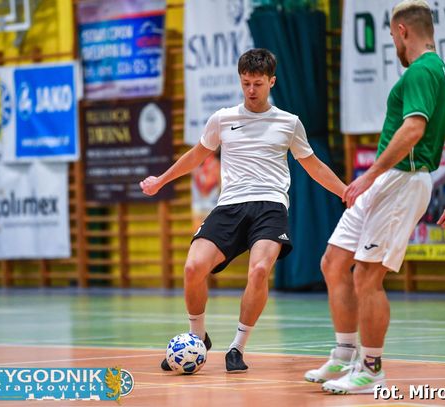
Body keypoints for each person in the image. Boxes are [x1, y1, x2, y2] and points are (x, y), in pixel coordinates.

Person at [304, 0, 445, 394]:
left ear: (402, 31)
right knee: (334, 262)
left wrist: (370, 175)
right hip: (389, 181)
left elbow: (414, 129)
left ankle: (371, 369)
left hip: (403, 179)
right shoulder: (444, 76)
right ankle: (344, 354)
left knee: (367, 276)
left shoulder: (422, 71)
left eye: (392, 37)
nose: (394, 44)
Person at [140, 48, 348, 372]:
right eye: (246, 83)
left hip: (270, 205)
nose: (251, 90)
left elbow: (313, 166)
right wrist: (161, 180)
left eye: (258, 84)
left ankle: (237, 348)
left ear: (271, 82)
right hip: (229, 206)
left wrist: (345, 191)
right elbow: (196, 156)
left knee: (259, 270)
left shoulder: (289, 123)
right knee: (193, 267)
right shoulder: (222, 119)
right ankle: (198, 339)